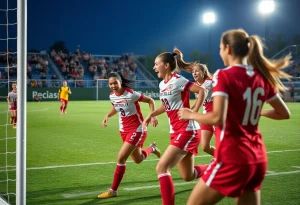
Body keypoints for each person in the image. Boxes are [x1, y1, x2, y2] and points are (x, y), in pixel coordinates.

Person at [178, 29, 291, 205]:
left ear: (228, 49)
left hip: (233, 158)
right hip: (257, 159)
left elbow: (217, 118)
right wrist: (258, 111)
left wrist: (191, 114)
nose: (220, 52)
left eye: (220, 48)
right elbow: (284, 113)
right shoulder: (261, 77)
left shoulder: (223, 75)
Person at [143, 48, 208, 205]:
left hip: (187, 130)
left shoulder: (178, 80)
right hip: (176, 131)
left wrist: (193, 111)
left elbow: (202, 90)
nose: (154, 67)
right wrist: (151, 115)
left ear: (166, 65)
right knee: (188, 175)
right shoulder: (161, 85)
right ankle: (215, 167)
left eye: (156, 64)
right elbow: (166, 106)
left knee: (162, 168)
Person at [98, 72, 161, 199]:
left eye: (115, 82)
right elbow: (117, 107)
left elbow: (150, 100)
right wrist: (107, 116)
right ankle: (152, 148)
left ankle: (113, 190)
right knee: (138, 159)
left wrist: (152, 116)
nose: (113, 85)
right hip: (123, 130)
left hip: (137, 129)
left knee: (121, 158)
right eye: (110, 83)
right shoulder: (112, 96)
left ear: (120, 81)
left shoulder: (131, 93)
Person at [190, 63, 215, 156]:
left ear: (203, 72)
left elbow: (202, 96)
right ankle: (221, 160)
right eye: (193, 71)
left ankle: (229, 162)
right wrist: (190, 108)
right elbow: (198, 99)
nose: (194, 73)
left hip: (216, 116)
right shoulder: (197, 84)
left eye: (196, 71)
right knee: (205, 147)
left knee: (224, 145)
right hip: (206, 117)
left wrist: (193, 113)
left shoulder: (209, 82)